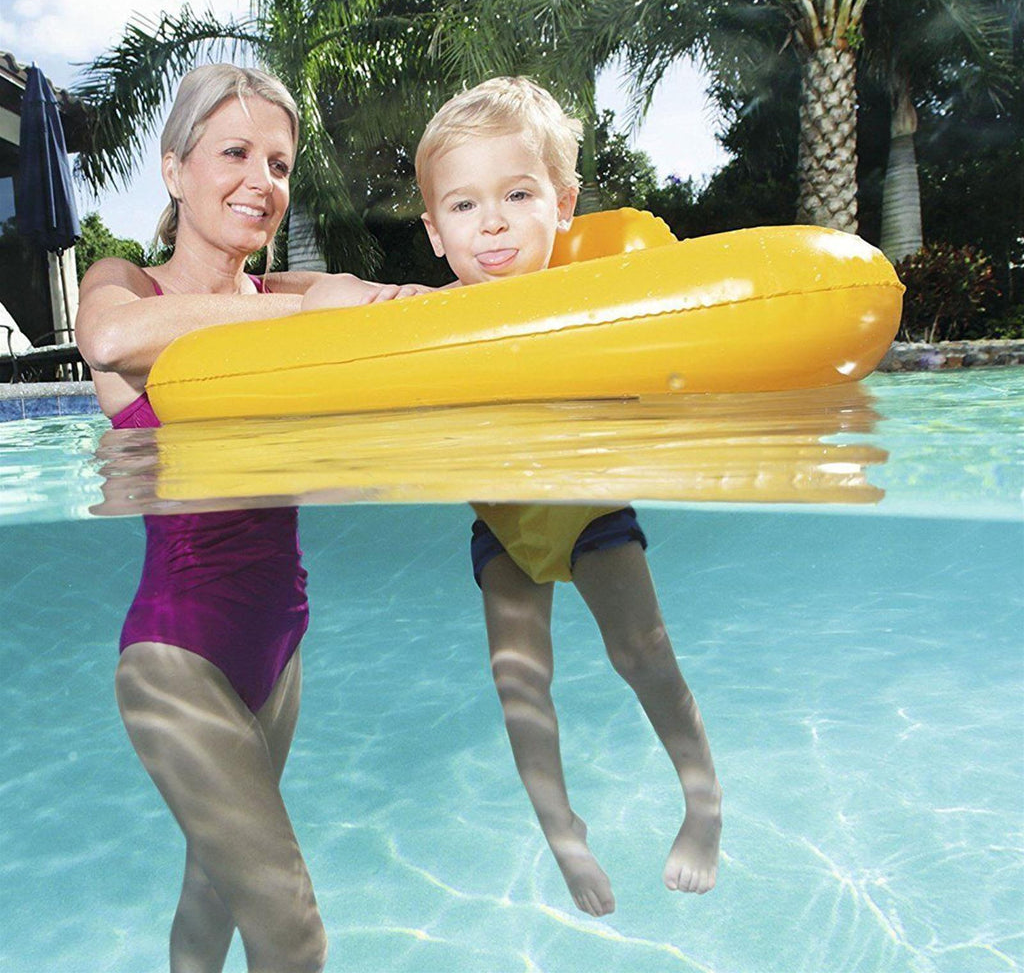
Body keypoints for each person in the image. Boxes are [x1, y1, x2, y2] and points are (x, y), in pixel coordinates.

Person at [304, 76, 722, 918]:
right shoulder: (434, 314)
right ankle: (562, 829)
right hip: (501, 527)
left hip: (590, 512)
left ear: (563, 204)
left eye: (517, 195)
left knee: (644, 656)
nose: (490, 223)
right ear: (433, 230)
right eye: (463, 206)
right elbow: (322, 299)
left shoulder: (588, 304)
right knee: (518, 681)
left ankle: (702, 800)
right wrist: (394, 299)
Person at [75, 63, 416, 972]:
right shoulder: (126, 283)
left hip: (279, 645)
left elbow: (392, 306)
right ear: (174, 168)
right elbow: (107, 339)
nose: (261, 181)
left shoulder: (287, 296)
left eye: (279, 163)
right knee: (293, 933)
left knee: (213, 899)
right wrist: (304, 317)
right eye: (234, 153)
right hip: (175, 654)